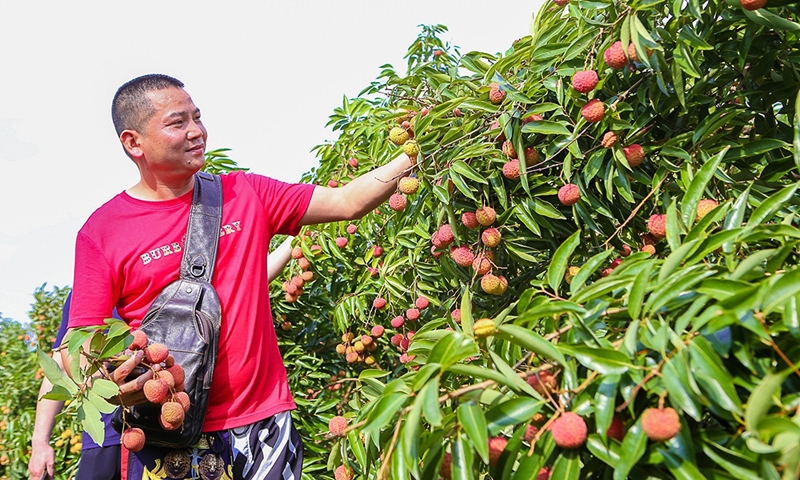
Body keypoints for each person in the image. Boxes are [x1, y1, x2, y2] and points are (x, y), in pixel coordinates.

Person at [64, 74, 414, 479]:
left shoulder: (245, 194)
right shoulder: (103, 231)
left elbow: (347, 201)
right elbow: (83, 340)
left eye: (197, 118)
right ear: (133, 142)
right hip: (169, 435)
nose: (196, 132)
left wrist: (418, 146)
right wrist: (117, 375)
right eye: (178, 123)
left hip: (264, 425)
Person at [29, 236, 295, 480]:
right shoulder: (84, 298)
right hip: (104, 440)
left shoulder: (170, 287)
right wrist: (40, 442)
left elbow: (242, 288)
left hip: (161, 436)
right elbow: (61, 371)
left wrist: (293, 243)